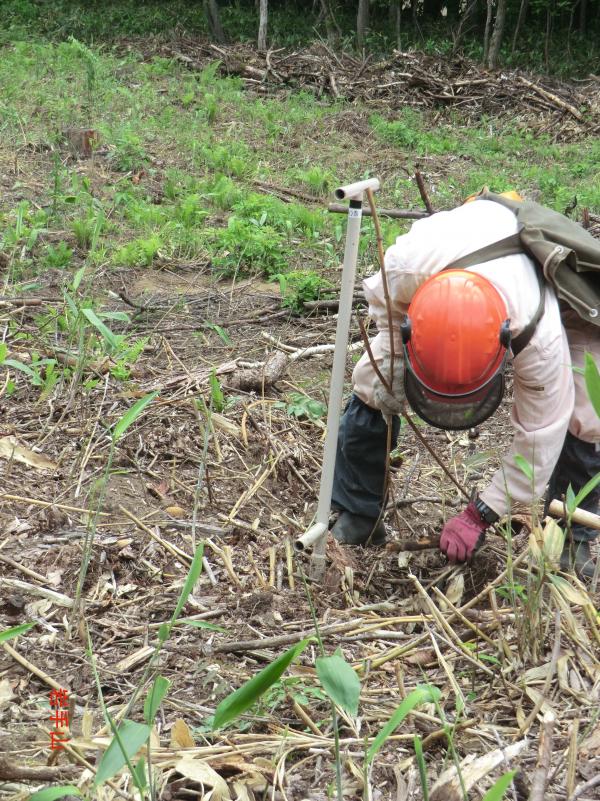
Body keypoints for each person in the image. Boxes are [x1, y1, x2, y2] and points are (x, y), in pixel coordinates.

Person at [331, 193, 600, 578]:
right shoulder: (405, 269)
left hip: (557, 275)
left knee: (589, 409)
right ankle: (359, 515)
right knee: (372, 381)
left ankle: (571, 542)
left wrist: (481, 513)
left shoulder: (539, 338)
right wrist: (391, 369)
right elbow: (385, 308)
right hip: (453, 252)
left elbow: (541, 436)